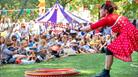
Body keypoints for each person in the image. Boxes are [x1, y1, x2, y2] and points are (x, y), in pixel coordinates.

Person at [80, 1, 138, 77]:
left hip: (128, 33)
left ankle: (105, 73)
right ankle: (105, 73)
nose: (99, 11)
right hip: (132, 32)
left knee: (109, 49)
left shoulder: (107, 19)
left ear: (105, 11)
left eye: (101, 9)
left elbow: (90, 27)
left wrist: (80, 28)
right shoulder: (113, 17)